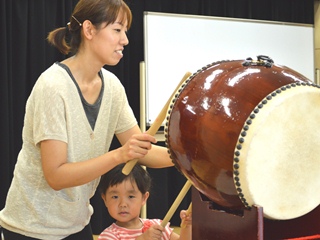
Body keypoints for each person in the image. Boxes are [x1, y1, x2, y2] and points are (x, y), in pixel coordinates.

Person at [0, 0, 175, 239]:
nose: (125, 40)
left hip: (77, 223)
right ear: (89, 30)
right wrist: (120, 154)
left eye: (125, 31)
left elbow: (141, 149)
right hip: (32, 227)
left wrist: (192, 161)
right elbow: (56, 176)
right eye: (117, 30)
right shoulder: (53, 86)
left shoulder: (112, 86)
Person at [97, 163, 192, 240]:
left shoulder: (156, 225)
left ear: (144, 198)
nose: (123, 204)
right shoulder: (108, 236)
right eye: (115, 197)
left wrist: (186, 226)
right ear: (105, 199)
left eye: (130, 196)